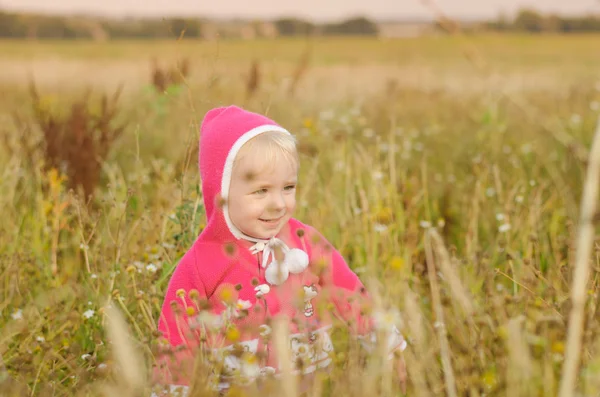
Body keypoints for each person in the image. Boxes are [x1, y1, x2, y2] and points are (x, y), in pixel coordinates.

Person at [152, 105, 407, 395]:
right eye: (261, 191)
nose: (278, 204)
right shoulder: (203, 262)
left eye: (287, 188)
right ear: (220, 194)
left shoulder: (305, 240)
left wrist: (389, 348)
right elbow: (176, 339)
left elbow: (350, 293)